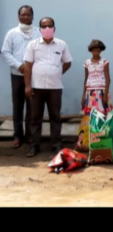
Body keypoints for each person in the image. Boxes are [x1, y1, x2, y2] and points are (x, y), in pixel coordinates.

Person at [24, 17, 72, 157]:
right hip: (36, 87)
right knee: (35, 117)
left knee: (55, 116)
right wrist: (27, 86)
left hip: (55, 87)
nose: (47, 28)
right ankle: (34, 145)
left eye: (49, 26)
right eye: (44, 26)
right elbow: (27, 66)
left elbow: (68, 62)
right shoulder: (33, 45)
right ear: (39, 30)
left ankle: (56, 144)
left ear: (54, 28)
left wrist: (56, 72)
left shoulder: (61, 45)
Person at [1, 5, 41, 149]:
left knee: (32, 106)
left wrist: (31, 68)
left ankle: (30, 135)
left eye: (28, 15)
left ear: (32, 16)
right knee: (18, 106)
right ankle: (18, 135)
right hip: (17, 75)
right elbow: (5, 52)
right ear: (19, 16)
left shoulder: (38, 33)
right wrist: (19, 66)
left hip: (34, 76)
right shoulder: (12, 33)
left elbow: (42, 52)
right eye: (22, 15)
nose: (25, 17)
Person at [81, 39, 113, 115]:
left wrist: (105, 94)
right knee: (91, 114)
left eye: (98, 51)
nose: (96, 53)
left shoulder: (104, 62)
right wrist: (84, 95)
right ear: (91, 51)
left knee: (103, 113)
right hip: (90, 91)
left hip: (101, 91)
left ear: (101, 51)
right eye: (94, 51)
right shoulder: (87, 63)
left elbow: (108, 79)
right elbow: (86, 79)